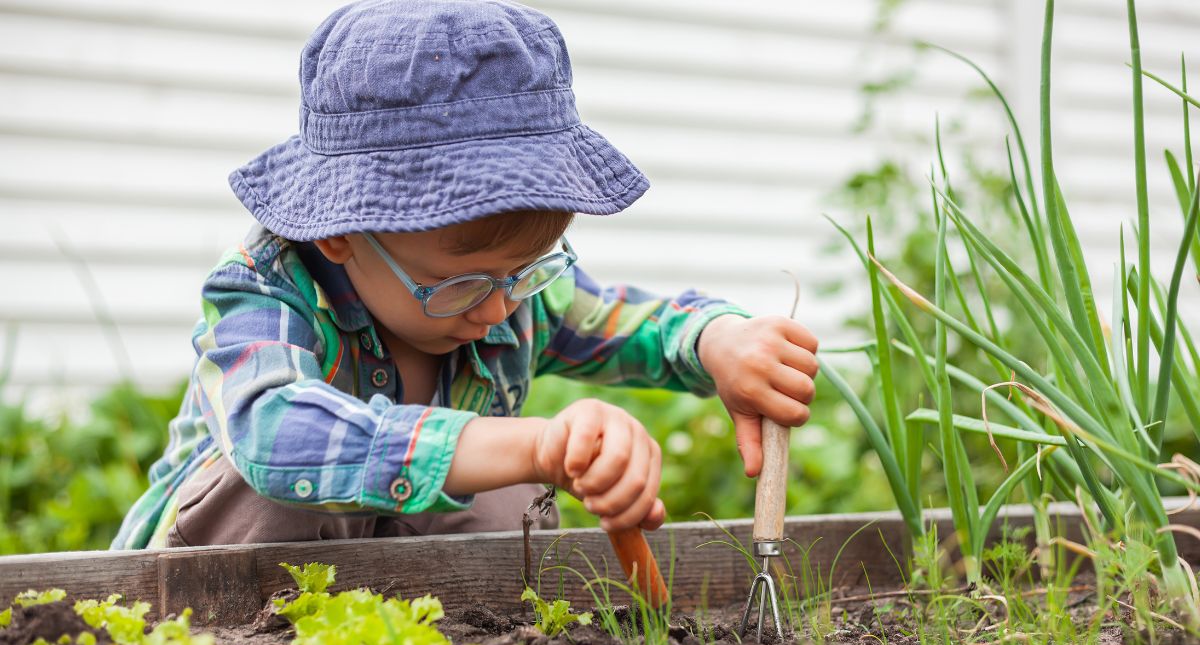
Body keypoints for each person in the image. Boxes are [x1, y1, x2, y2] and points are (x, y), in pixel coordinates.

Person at [112, 0, 819, 550]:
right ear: (337, 232)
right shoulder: (267, 289)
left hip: (409, 612)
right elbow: (272, 432)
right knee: (277, 489)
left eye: (523, 274)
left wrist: (718, 341)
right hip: (208, 598)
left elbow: (630, 326)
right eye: (462, 284)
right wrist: (533, 445)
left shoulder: (508, 292)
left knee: (506, 499)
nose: (499, 308)